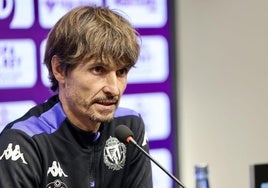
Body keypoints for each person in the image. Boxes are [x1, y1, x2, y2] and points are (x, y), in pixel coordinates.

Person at [0, 6, 153, 188]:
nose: (114, 89)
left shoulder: (129, 127)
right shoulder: (24, 141)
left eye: (121, 72)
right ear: (59, 69)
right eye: (98, 69)